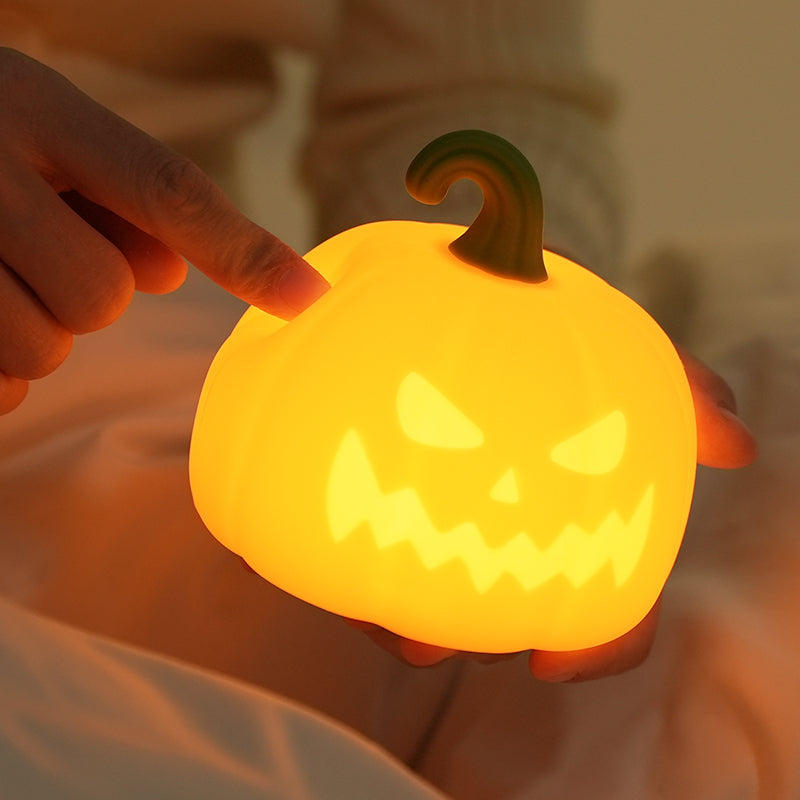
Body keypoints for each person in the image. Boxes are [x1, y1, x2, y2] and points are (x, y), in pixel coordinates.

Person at [0, 3, 768, 797]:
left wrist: (514, 342)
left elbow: (476, 83)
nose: (502, 485)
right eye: (447, 430)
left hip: (156, 292)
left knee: (749, 592)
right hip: (99, 353)